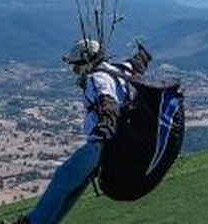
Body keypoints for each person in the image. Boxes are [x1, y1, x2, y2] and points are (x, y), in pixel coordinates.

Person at [14, 37, 151, 224]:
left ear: (87, 61)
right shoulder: (118, 69)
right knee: (73, 188)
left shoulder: (97, 79)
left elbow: (107, 102)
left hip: (100, 145)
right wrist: (143, 54)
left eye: (77, 65)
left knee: (62, 179)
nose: (74, 70)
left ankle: (34, 222)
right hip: (116, 146)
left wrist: (105, 126)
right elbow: (137, 64)